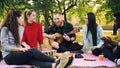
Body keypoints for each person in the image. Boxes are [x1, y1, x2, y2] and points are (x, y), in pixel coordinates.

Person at [1, 9, 73, 68]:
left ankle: (54, 66)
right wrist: (21, 49)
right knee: (32, 51)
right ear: (16, 19)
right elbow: (5, 47)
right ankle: (56, 60)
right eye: (21, 18)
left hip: (18, 54)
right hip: (9, 56)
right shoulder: (5, 29)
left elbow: (21, 41)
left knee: (32, 60)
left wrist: (23, 48)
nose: (23, 19)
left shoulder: (19, 28)